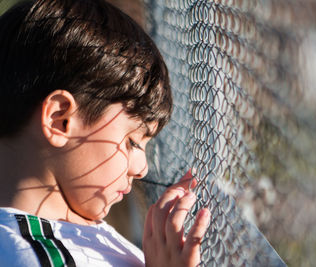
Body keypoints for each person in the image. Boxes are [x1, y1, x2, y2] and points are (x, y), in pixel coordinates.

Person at [0, 0, 210, 266]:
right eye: (132, 142)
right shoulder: (35, 257)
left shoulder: (71, 233)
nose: (142, 168)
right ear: (60, 119)